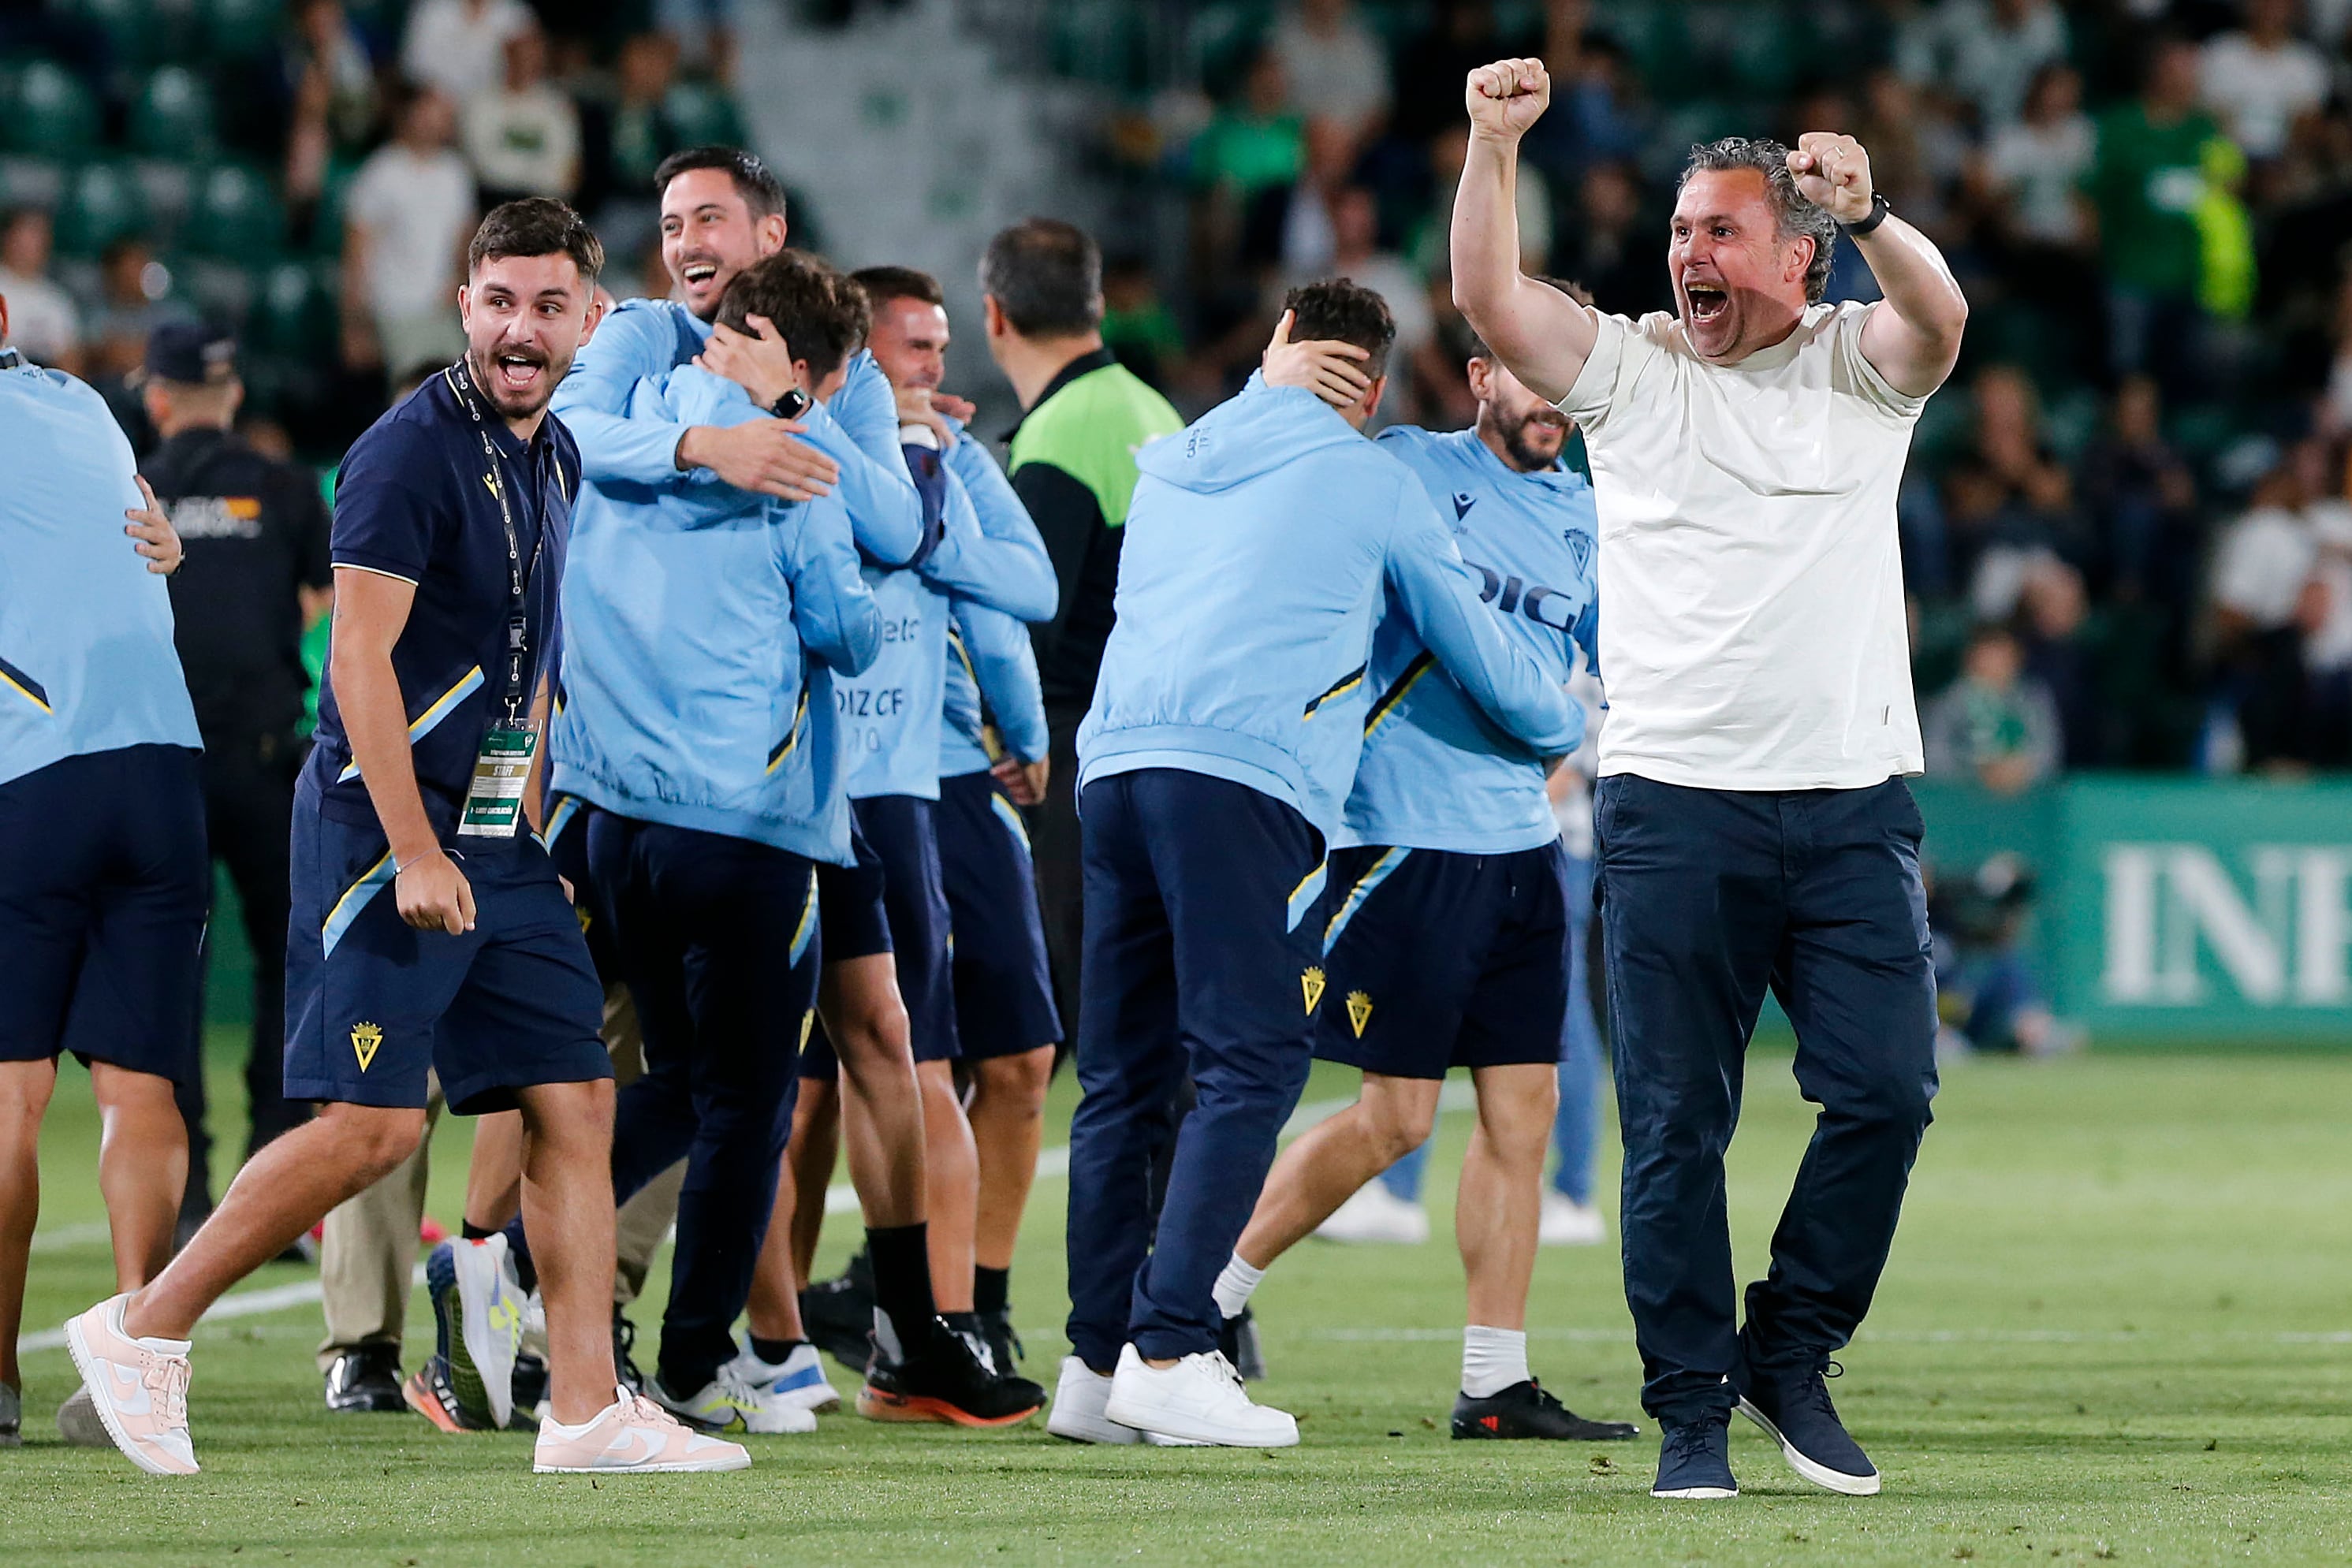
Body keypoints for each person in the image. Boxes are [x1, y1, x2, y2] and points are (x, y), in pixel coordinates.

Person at [61, 199, 747, 1477]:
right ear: (462, 302)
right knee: (375, 1128)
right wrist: (415, 844)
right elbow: (359, 663)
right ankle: (142, 1331)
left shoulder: (555, 455)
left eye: (548, 306)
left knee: (577, 1095)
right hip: (389, 837)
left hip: (498, 842)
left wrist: (522, 813)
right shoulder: (402, 451)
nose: (519, 331)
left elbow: (525, 655)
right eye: (499, 302)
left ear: (587, 319)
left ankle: (584, 1406)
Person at [1451, 60, 1967, 1499]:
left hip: (1850, 803)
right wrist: (1492, 146)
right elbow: (1491, 297)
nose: (1691, 253)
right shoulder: (1630, 372)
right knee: (1675, 1124)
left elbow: (1941, 315)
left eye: (1722, 231)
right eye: (1682, 231)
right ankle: (1689, 1410)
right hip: (1672, 805)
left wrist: (1877, 214)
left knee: (1886, 1091)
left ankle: (1786, 1349)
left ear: (1796, 255)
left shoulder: (1855, 367)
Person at [1047, 277, 1584, 1450]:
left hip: (1115, 766)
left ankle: (1091, 1371)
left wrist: (1258, 385)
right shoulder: (1375, 477)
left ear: (1279, 341)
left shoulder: (1182, 449)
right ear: (1380, 384)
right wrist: (1559, 722)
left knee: (1123, 1079)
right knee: (1249, 1063)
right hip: (1242, 774)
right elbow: (1485, 658)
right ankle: (1178, 1342)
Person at [548, 147, 1038, 1426]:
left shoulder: (829, 385)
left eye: (708, 215)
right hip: (738, 805)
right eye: (667, 220)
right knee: (750, 1094)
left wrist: (783, 421)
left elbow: (897, 523)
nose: (683, 239)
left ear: (766, 230)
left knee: (762, 1064)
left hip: (701, 797)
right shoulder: (639, 342)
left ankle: (527, 1266)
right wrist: (726, 435)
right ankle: (712, 1352)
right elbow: (855, 590)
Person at [1210, 314, 1635, 1444]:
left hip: (1523, 846)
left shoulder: (1589, 517)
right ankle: (1205, 1299)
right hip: (1399, 833)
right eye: (1531, 377)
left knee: (1522, 1111)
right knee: (1392, 1118)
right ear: (1482, 376)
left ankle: (1492, 1380)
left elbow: (1602, 677)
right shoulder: (1402, 466)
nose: (1552, 400)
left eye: (1568, 382)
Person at [528, 249, 879, 1435]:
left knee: (669, 1080)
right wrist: (798, 439)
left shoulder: (614, 434)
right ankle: (687, 1362)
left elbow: (567, 448)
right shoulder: (791, 462)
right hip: (742, 830)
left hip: (614, 824)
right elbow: (850, 632)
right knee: (745, 1105)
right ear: (818, 375)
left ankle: (499, 1247)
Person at [777, 261, 1057, 1421]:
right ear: (850, 359)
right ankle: (786, 1328)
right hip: (837, 784)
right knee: (819, 1087)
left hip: (933, 781)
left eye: (941, 349)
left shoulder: (954, 459)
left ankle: (953, 1314)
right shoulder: (807, 450)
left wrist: (925, 531)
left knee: (1005, 1060)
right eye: (911, 349)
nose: (933, 371)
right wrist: (909, 517)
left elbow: (1025, 588)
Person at [0, 292, 199, 1453]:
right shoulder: (80, 401)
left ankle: (1, 1380)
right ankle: (136, 1373)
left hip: (37, 768)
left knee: (11, 1095)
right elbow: (144, 542)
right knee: (141, 1091)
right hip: (160, 765)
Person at [135, 323, 334, 1242]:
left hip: (156, 764)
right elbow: (329, 602)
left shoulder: (129, 490)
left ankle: (179, 1198)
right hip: (264, 761)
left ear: (158, 396)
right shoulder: (287, 490)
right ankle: (276, 1195)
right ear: (235, 396)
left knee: (169, 980)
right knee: (292, 969)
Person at [981, 218, 1184, 1048]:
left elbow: (1035, 619)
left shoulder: (1060, 432)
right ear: (1098, 304)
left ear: (994, 317)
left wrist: (1006, 737)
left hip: (1075, 754)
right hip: (1163, 740)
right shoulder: (1156, 409)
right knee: (1154, 1016)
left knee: (1092, 1021)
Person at [344, 87, 479, 387]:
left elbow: (465, 240)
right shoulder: (381, 172)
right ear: (408, 115)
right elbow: (357, 249)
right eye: (428, 112)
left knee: (463, 392)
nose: (435, 122)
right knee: (413, 395)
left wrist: (462, 288)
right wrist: (355, 322)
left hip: (442, 306)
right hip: (395, 306)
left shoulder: (455, 173)